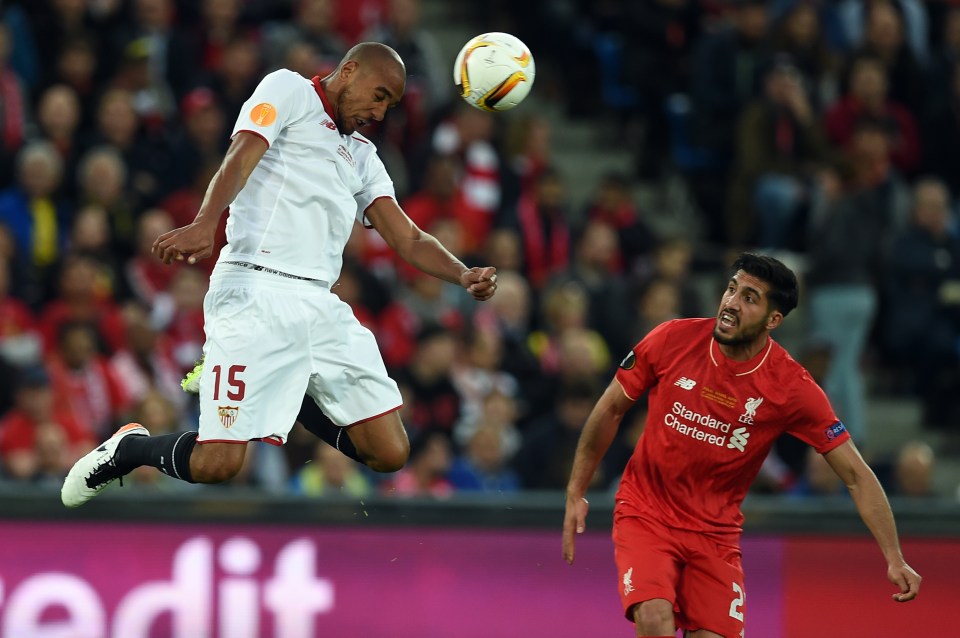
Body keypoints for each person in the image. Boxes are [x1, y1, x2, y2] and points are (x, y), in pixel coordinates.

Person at [61, 42, 497, 507]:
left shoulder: (364, 157)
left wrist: (462, 272)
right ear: (348, 71)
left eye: (390, 103)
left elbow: (407, 238)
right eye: (379, 94)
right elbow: (242, 154)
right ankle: (130, 448)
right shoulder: (288, 89)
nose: (380, 111)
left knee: (390, 452)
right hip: (254, 289)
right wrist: (207, 222)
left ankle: (293, 389)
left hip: (319, 306)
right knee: (218, 465)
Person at [562, 253, 921, 638]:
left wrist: (894, 556)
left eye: (749, 297)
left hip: (715, 534)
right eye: (731, 289)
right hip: (646, 510)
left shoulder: (791, 388)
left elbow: (855, 475)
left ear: (774, 320)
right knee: (653, 616)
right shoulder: (672, 339)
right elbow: (611, 409)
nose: (731, 303)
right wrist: (575, 490)